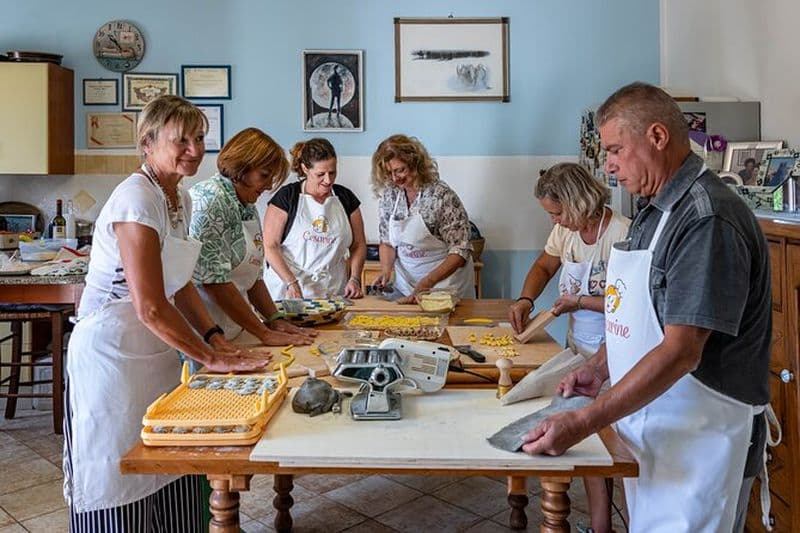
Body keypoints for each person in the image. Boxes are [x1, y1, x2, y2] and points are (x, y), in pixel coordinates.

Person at [521, 82, 772, 533]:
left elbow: (681, 351)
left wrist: (585, 420)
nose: (608, 166)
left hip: (702, 440)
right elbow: (639, 315)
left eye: (616, 150)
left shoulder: (706, 218)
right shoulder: (654, 212)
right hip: (656, 426)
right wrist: (601, 366)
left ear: (657, 136)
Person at [64, 95, 268, 531]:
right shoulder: (136, 199)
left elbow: (181, 284)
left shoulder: (180, 199)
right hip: (112, 356)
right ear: (148, 142)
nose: (195, 150)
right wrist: (209, 358)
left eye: (200, 138)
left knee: (171, 461)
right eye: (182, 140)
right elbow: (151, 305)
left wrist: (215, 339)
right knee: (118, 473)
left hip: (155, 353)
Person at [508, 162, 629, 533]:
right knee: (587, 436)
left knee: (609, 441)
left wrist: (580, 302)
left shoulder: (622, 232)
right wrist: (526, 299)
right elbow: (544, 267)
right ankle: (601, 525)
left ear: (577, 203)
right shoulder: (566, 233)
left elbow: (629, 303)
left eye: (557, 213)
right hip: (579, 347)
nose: (554, 221)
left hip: (615, 350)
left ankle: (609, 524)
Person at [189, 127, 316, 346]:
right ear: (240, 167)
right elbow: (215, 282)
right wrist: (263, 333)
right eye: (264, 175)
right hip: (206, 334)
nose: (268, 185)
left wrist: (274, 319)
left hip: (234, 327)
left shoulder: (246, 205)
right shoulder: (211, 200)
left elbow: (253, 278)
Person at [371, 134, 475, 301]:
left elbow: (460, 250)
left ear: (415, 164)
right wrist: (385, 271)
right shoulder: (390, 196)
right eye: (389, 173)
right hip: (406, 286)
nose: (395, 178)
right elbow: (387, 243)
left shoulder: (440, 195)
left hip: (445, 286)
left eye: (400, 170)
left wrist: (428, 281)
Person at [263, 138, 366, 300]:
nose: (328, 180)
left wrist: (354, 278)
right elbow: (270, 246)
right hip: (288, 290)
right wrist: (290, 282)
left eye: (332, 173)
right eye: (320, 174)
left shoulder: (346, 198)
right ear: (305, 168)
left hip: (332, 289)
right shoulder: (286, 197)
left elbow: (358, 244)